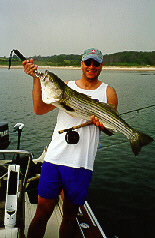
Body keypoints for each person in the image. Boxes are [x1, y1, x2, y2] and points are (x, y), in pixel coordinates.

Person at [22, 48, 118, 238]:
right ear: (81, 64)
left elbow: (110, 129)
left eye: (96, 63)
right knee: (42, 212)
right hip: (54, 159)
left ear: (101, 66)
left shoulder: (108, 92)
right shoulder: (66, 86)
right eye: (87, 62)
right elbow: (39, 109)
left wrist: (101, 126)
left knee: (70, 217)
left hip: (81, 164)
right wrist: (36, 78)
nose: (91, 67)